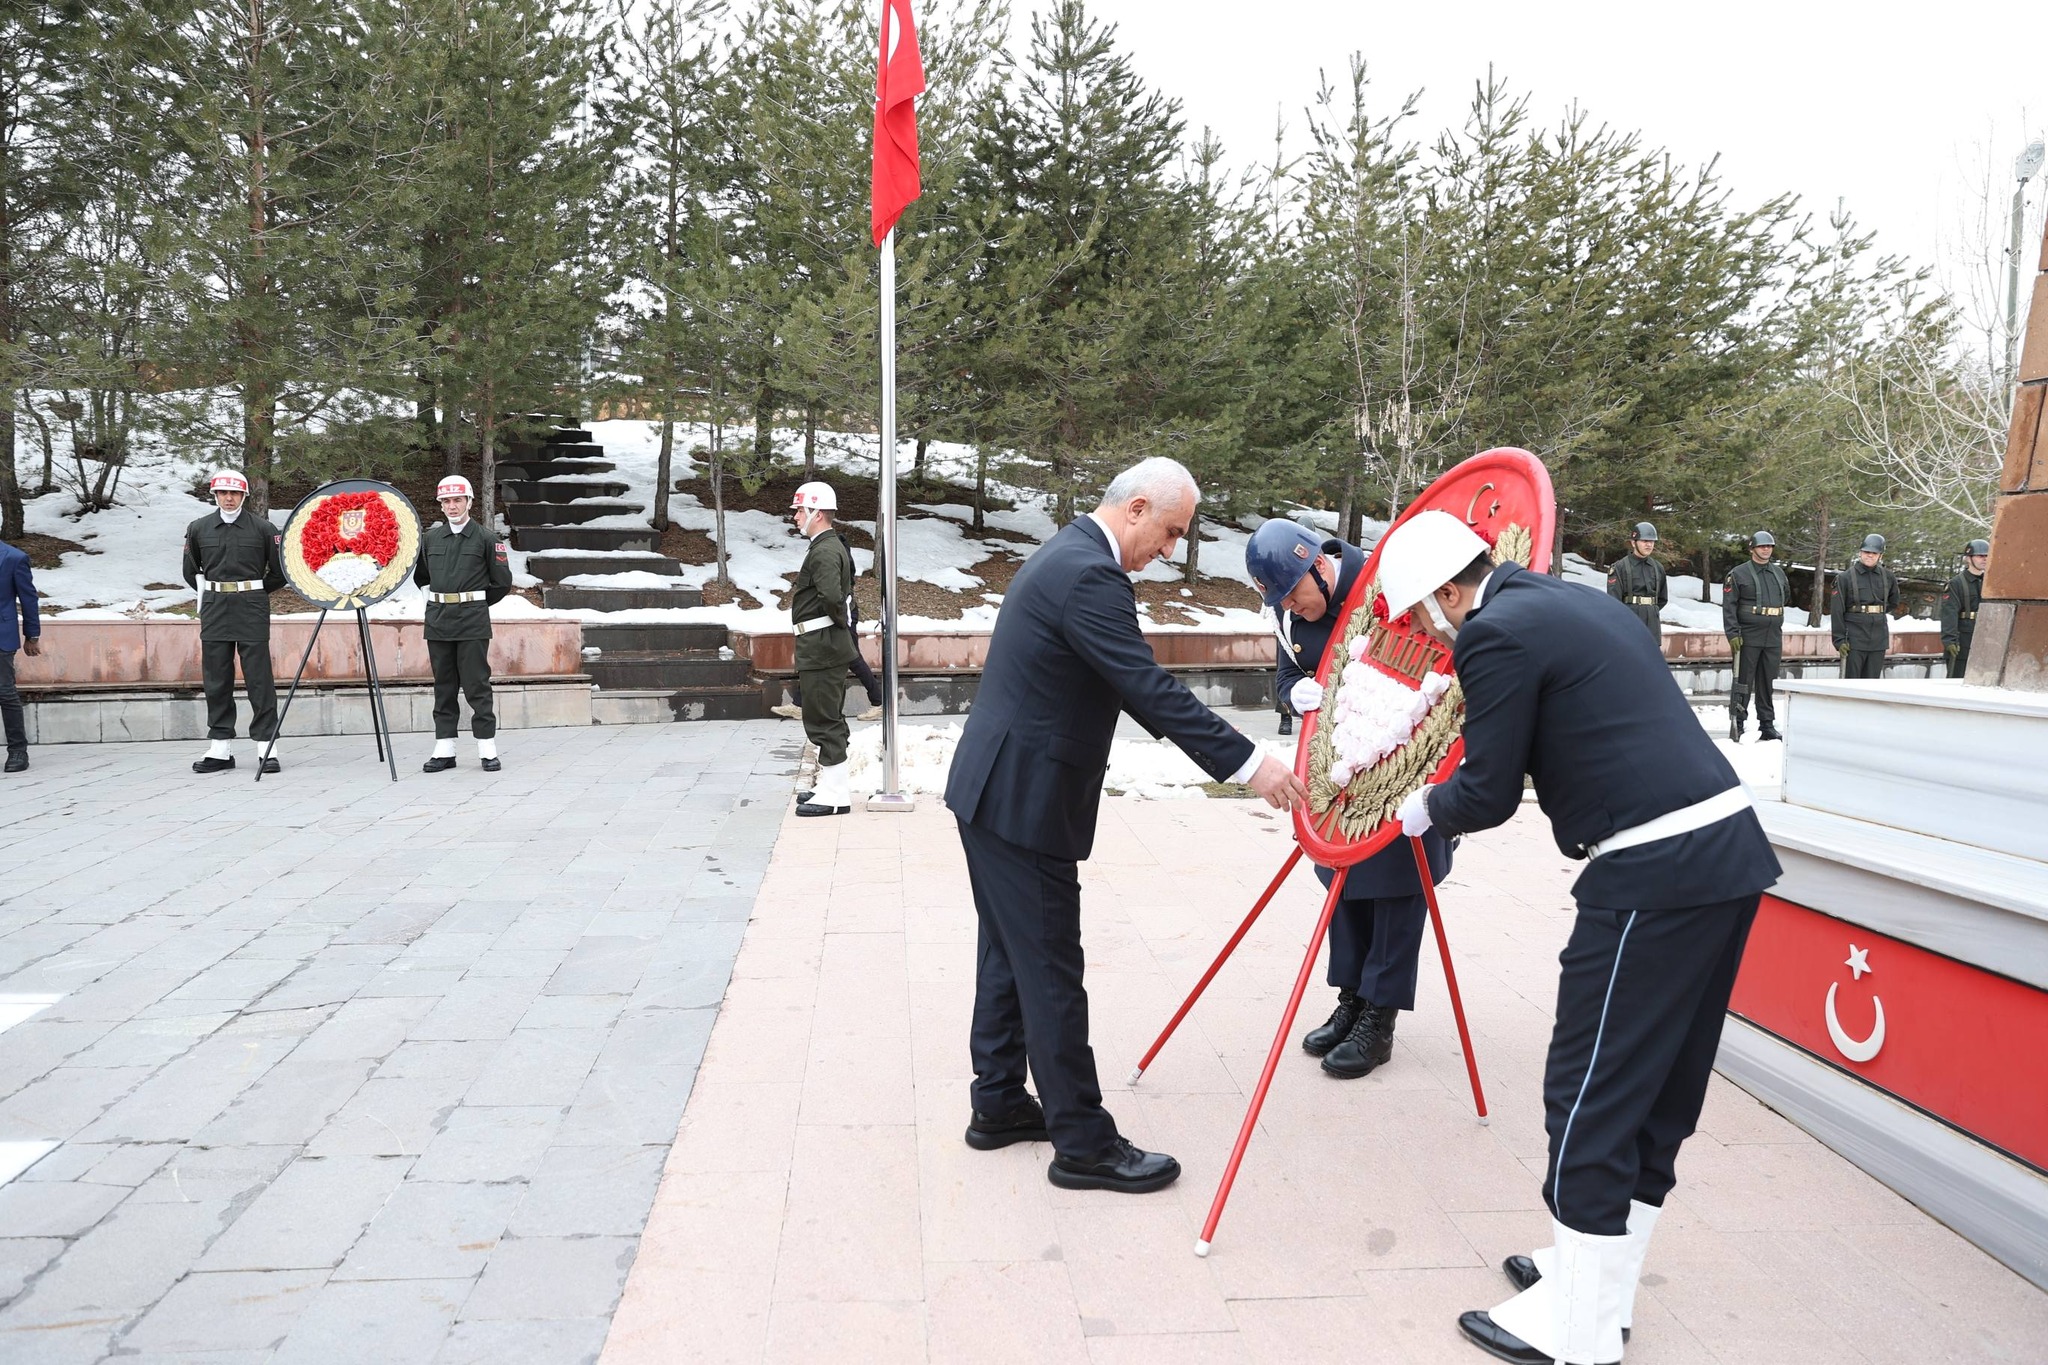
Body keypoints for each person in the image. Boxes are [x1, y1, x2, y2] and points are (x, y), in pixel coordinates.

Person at [1378, 510, 1780, 1365]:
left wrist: (1426, 805)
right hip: (1724, 852)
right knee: (1658, 1088)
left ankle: (1579, 1333)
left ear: (1449, 590)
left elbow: (1487, 792)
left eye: (1419, 614)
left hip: (1654, 871)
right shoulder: (1567, 599)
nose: (1427, 632)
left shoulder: (1493, 630)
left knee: (1588, 1087)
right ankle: (1601, 1282)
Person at [945, 458, 1306, 1194]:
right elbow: (1148, 686)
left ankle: (999, 1101)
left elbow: (1125, 685)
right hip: (1023, 800)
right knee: (1050, 967)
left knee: (1009, 954)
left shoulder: (1068, 553)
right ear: (1137, 508)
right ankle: (1083, 1143)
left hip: (997, 789)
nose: (1170, 550)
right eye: (1170, 532)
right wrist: (1250, 764)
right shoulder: (1090, 575)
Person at [1245, 517, 1455, 1079]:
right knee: (1345, 886)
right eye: (1280, 600)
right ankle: (1352, 999)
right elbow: (1288, 675)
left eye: (1295, 594)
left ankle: (1379, 1018)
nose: (1291, 607)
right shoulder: (1288, 611)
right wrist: (1296, 692)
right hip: (1340, 775)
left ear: (1320, 565)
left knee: (1398, 889)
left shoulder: (1386, 581)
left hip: (1406, 765)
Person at [183, 470, 286, 774]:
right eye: (223, 493)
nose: (229, 498)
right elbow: (191, 570)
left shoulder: (263, 529)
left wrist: (254, 592)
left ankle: (266, 747)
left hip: (251, 607)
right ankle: (220, 748)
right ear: (215, 495)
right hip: (215, 607)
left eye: (235, 493)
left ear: (244, 496)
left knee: (259, 678)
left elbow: (279, 571)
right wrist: (214, 594)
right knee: (216, 678)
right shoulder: (199, 528)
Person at [414, 474, 512, 772]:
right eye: (446, 501)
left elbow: (501, 583)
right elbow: (422, 577)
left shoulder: (486, 539)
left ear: (469, 501)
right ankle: (444, 749)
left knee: (476, 684)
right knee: (443, 685)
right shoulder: (430, 539)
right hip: (439, 620)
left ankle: (487, 748)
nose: (452, 506)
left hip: (472, 621)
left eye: (457, 500)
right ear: (440, 505)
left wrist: (473, 604)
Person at [789, 481, 859, 815]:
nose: (795, 517)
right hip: (821, 644)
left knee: (823, 719)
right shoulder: (825, 546)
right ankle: (830, 785)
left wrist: (838, 623)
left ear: (817, 513)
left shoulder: (825, 550)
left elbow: (832, 597)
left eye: (799, 511)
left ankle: (835, 794)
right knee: (825, 715)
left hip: (822, 645)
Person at [1721, 530, 1790, 742]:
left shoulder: (1778, 573)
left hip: (1773, 635)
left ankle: (1767, 723)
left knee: (1768, 681)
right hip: (1748, 635)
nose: (1766, 549)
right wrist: (1733, 633)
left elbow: (1785, 598)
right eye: (1762, 546)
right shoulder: (1738, 574)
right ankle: (1738, 722)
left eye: (1769, 546)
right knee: (1743, 681)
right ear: (1752, 549)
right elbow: (1729, 606)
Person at [1831, 533, 1899, 681]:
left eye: (1874, 553)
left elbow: (1893, 601)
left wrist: (1874, 614)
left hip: (1878, 638)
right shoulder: (1845, 577)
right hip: (1854, 637)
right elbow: (1837, 611)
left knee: (1871, 684)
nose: (1870, 555)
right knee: (1852, 683)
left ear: (1880, 555)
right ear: (1860, 552)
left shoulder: (1888, 577)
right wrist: (1839, 640)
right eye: (1867, 552)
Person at [0, 536, 41, 773]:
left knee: (5, 692)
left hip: (1, 635)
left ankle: (17, 750)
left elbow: (28, 598)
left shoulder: (14, 558)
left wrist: (31, 635)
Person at [1604, 522, 1666, 638]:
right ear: (1633, 543)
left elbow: (1662, 599)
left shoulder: (1658, 568)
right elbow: (1614, 601)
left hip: (1652, 625)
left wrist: (1649, 611)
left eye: (1652, 541)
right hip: (1629, 623)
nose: (1649, 545)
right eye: (1644, 541)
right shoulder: (1620, 567)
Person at [1941, 538, 1990, 678]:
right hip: (1963, 640)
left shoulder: (1989, 583)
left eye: (1987, 556)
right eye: (1980, 556)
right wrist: (1949, 640)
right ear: (1968, 558)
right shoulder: (1956, 583)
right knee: (1958, 680)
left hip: (1985, 639)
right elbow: (1949, 613)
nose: (1984, 559)